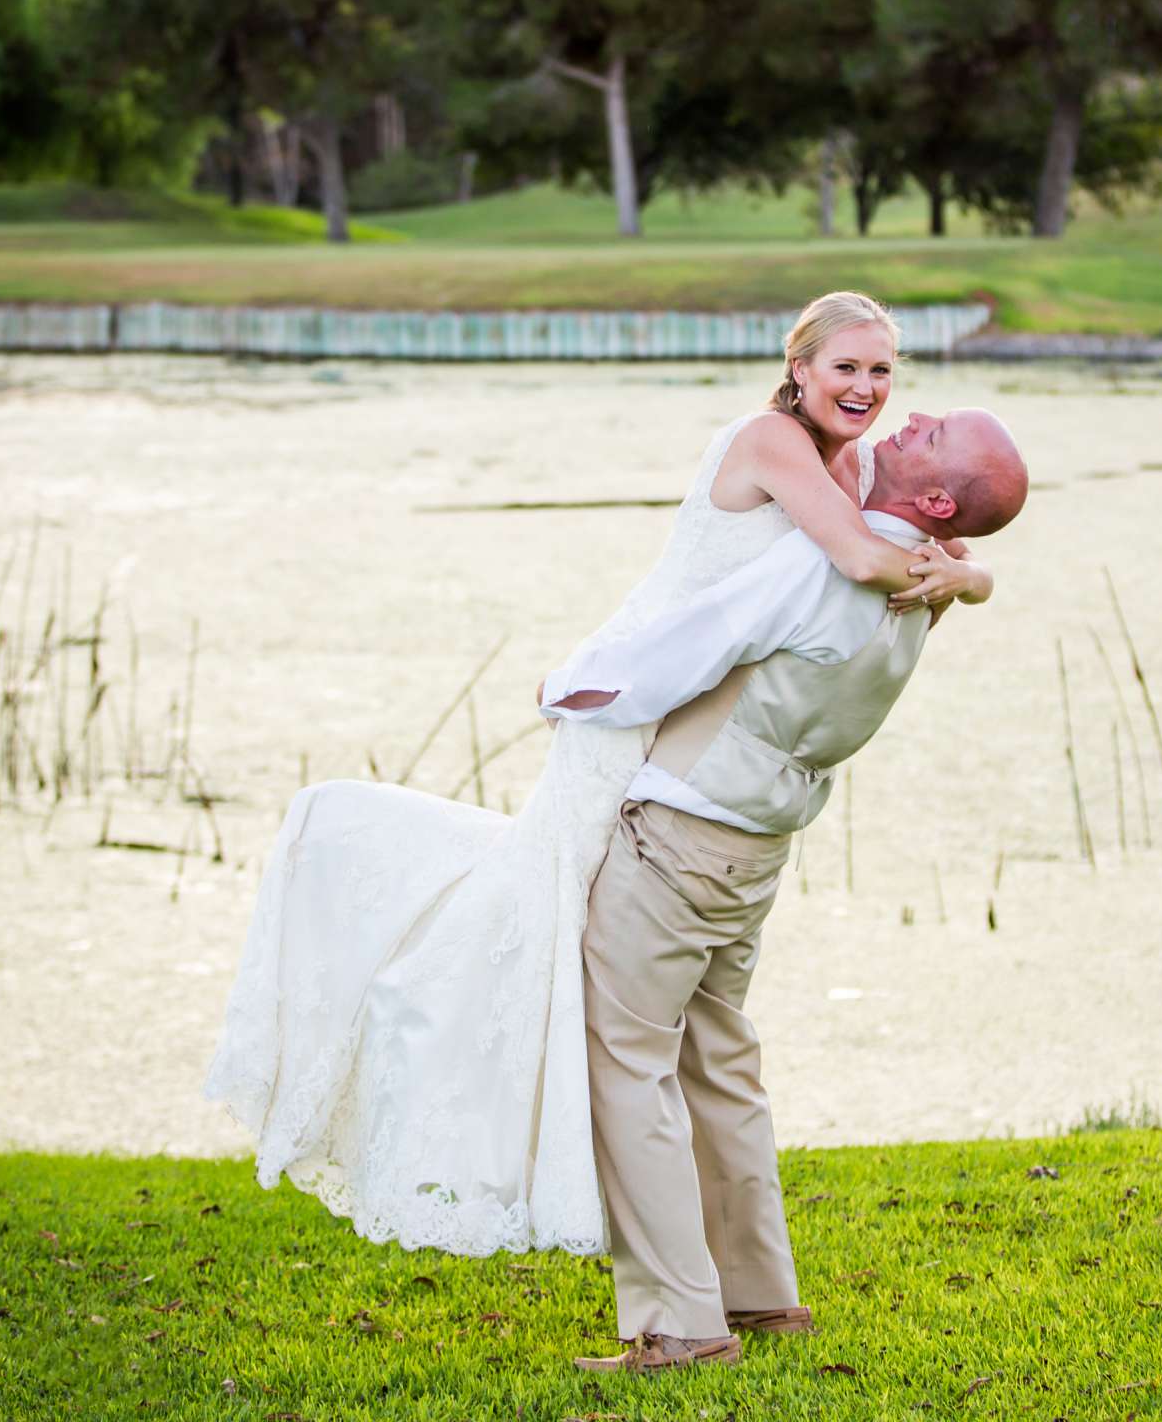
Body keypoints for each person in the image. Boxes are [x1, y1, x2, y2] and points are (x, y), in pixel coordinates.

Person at [201, 292, 994, 1259]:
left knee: (615, 999)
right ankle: (427, 1054)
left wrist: (970, 573)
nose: (869, 391)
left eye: (882, 372)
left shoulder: (863, 462)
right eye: (846, 369)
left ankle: (676, 1282)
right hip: (636, 701)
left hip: (686, 714)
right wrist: (955, 575)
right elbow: (870, 554)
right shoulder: (771, 441)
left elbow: (933, 540)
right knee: (540, 924)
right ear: (800, 368)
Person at [541, 407, 1030, 1374]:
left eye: (933, 434)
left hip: (681, 835)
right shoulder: (925, 584)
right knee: (719, 1058)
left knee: (628, 1061)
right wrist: (972, 573)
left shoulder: (824, 563)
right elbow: (961, 566)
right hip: (756, 851)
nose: (912, 414)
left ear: (933, 498)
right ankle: (762, 1295)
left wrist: (570, 689)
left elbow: (695, 641)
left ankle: (681, 1324)